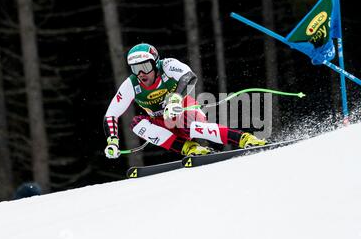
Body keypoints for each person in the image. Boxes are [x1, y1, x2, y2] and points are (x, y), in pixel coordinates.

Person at [103, 43, 266, 159]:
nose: (140, 74)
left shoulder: (167, 65)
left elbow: (189, 77)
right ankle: (190, 148)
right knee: (138, 125)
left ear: (155, 63)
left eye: (145, 67)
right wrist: (113, 142)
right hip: (163, 122)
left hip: (184, 111)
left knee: (193, 125)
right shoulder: (131, 84)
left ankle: (245, 139)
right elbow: (111, 115)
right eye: (135, 68)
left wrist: (175, 100)